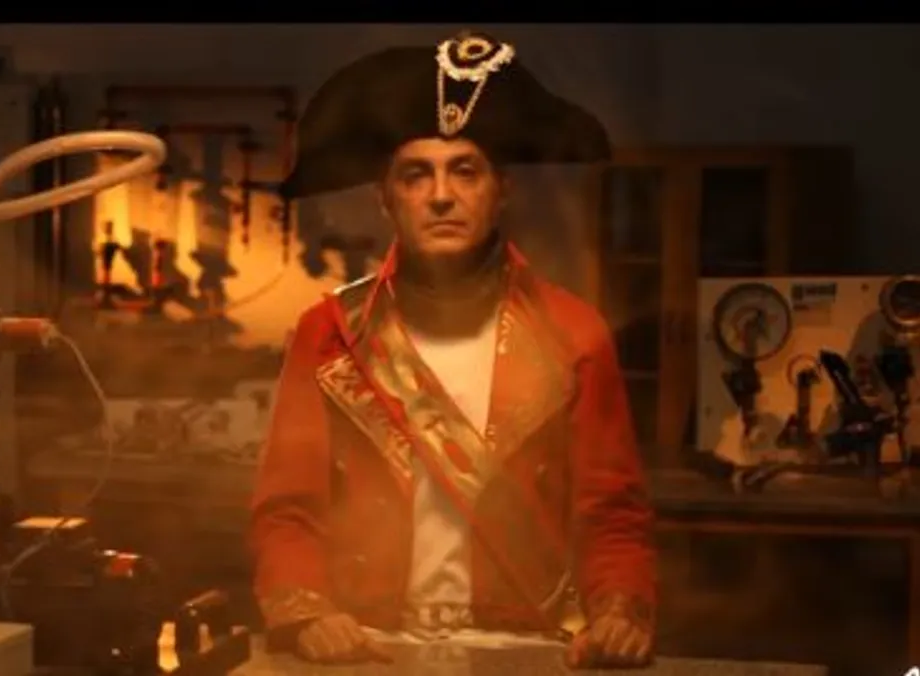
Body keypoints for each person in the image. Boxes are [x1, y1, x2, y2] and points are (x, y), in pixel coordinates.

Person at [249, 30, 657, 670]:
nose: (441, 194)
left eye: (465, 170)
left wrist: (618, 612)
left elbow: (612, 515)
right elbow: (287, 511)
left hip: (529, 646)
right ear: (386, 199)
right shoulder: (327, 332)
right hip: (370, 648)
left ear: (501, 190)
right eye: (416, 174)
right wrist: (308, 612)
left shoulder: (575, 333)